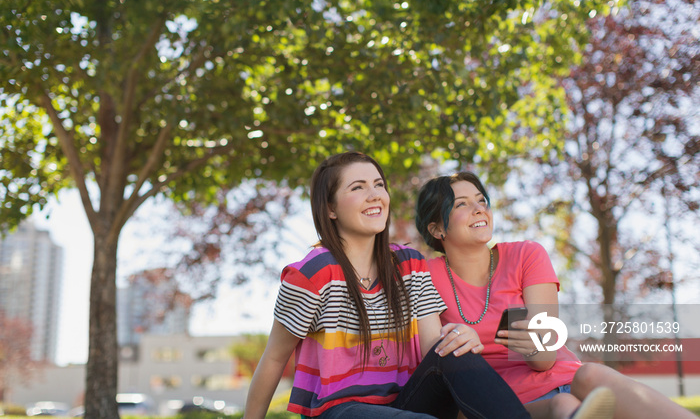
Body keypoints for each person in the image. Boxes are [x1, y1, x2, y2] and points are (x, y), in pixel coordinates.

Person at [244, 152, 531, 419]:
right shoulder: (312, 273)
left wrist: (460, 337)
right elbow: (274, 358)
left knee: (453, 350)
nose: (374, 196)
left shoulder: (410, 265)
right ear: (330, 208)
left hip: (404, 402)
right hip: (340, 410)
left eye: (379, 185)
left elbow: (435, 350)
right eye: (357, 188)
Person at [414, 171, 697, 419]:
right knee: (562, 405)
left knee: (592, 374)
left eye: (481, 200)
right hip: (501, 402)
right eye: (462, 204)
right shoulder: (424, 274)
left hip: (564, 378)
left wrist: (533, 344)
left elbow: (545, 359)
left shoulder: (526, 255)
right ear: (437, 228)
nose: (479, 209)